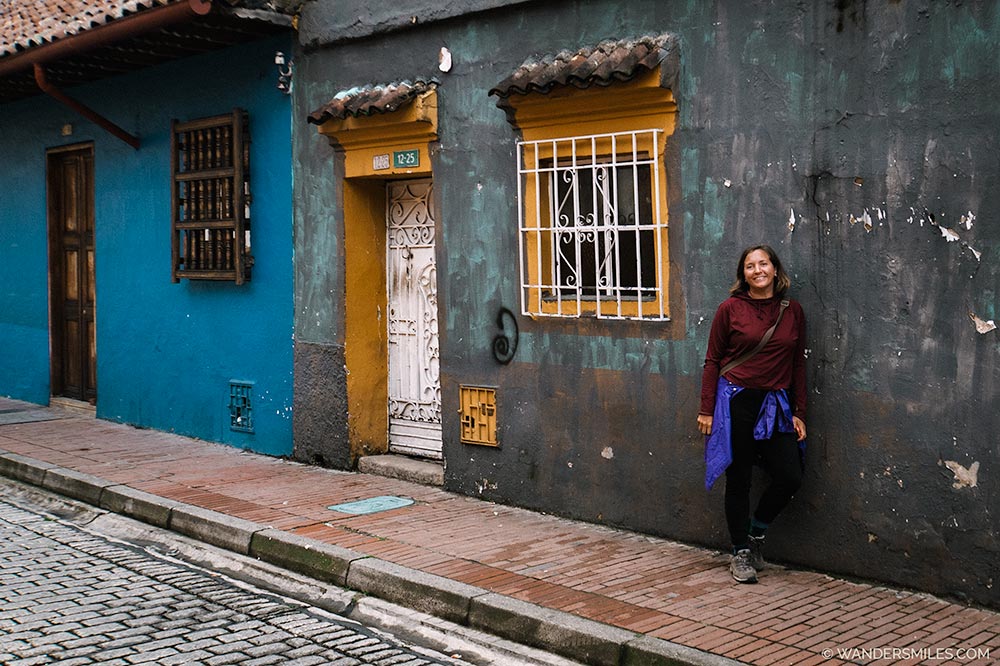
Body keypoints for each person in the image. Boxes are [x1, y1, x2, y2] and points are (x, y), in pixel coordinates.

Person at [698, 244, 807, 584]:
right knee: (739, 478)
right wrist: (706, 409)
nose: (757, 270)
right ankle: (740, 551)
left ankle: (757, 533)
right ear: (742, 274)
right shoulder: (730, 309)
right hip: (735, 402)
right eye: (750, 266)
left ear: (776, 269)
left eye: (764, 263)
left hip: (775, 404)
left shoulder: (793, 311)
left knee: (790, 475)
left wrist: (799, 411)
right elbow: (713, 359)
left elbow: (798, 364)